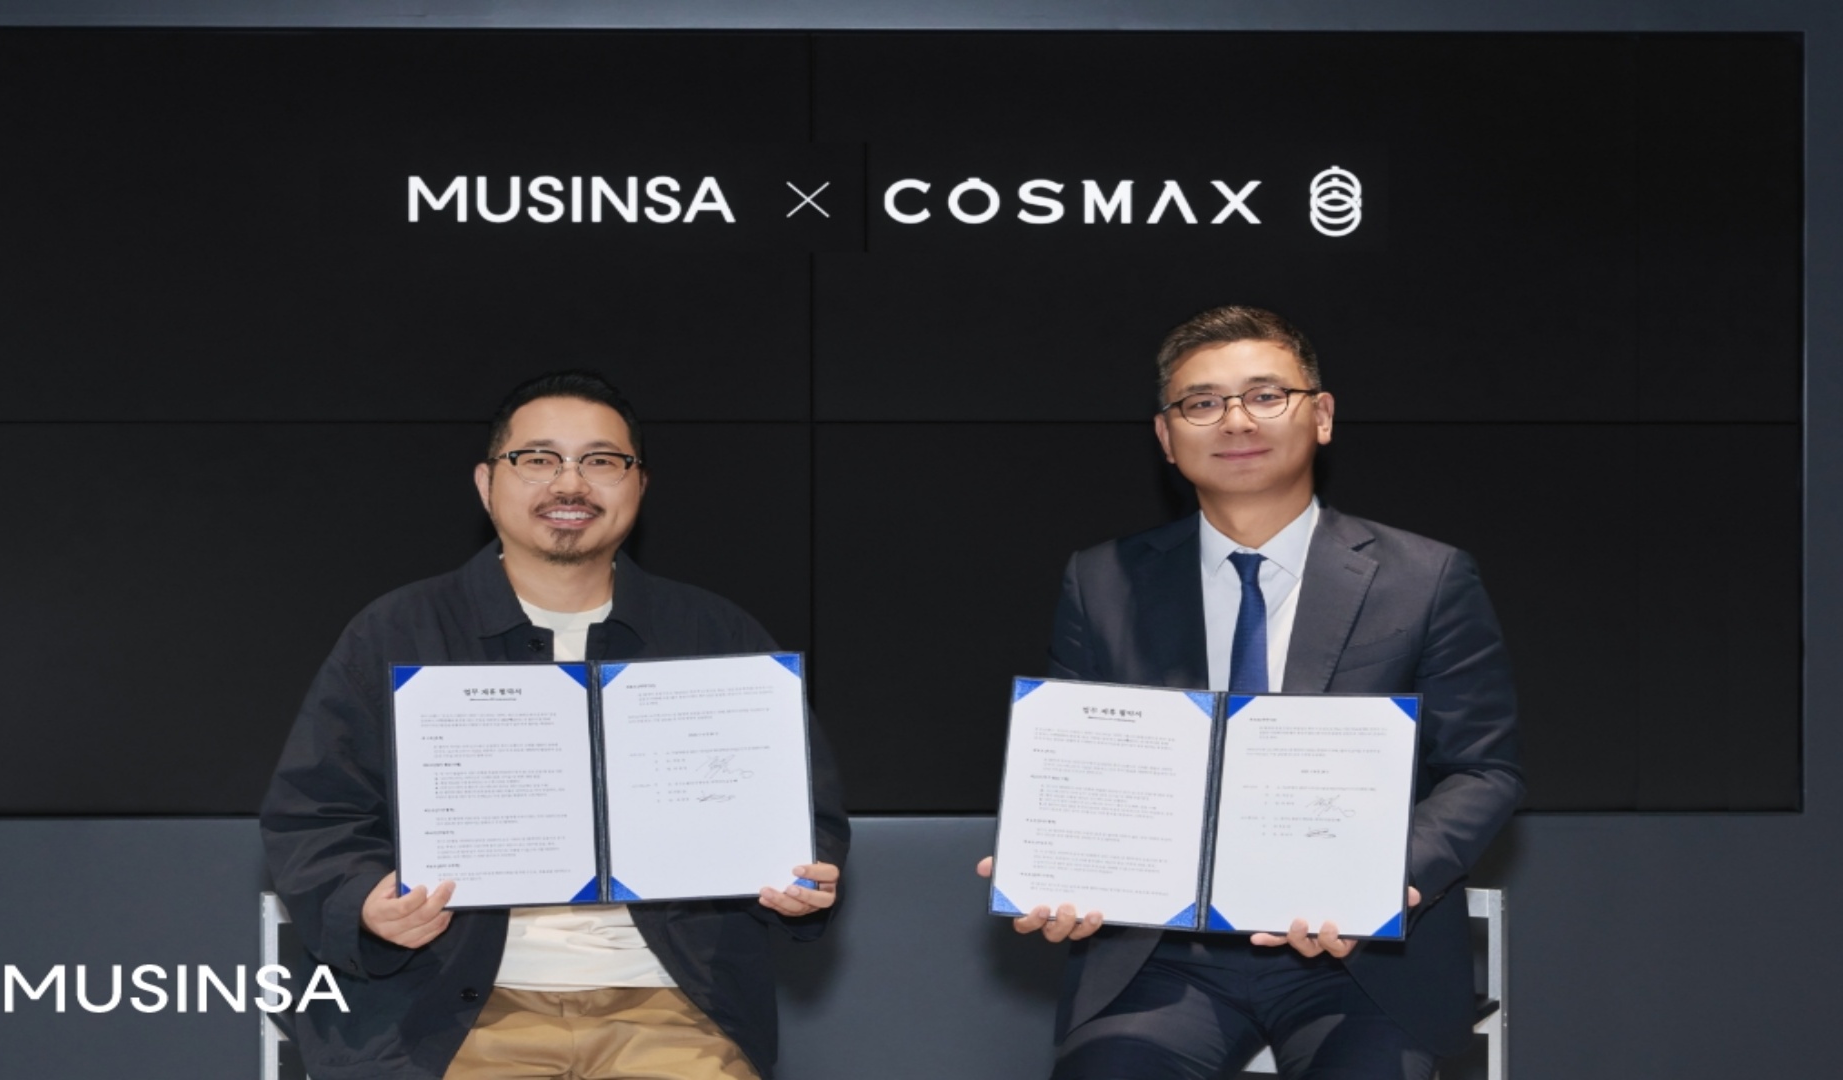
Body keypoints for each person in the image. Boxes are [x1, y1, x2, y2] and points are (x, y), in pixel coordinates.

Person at [980, 306, 1523, 1079]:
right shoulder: (1102, 581)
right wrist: (1058, 869)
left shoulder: (1425, 578)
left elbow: (1484, 769)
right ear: (1167, 437)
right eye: (1202, 403)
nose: (1236, 421)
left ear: (1321, 416)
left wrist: (1381, 880)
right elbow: (1075, 765)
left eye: (1266, 396)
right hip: (1164, 957)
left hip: (1363, 962)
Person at [262, 370, 850, 1080]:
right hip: (447, 1013)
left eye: (601, 461)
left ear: (639, 484)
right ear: (487, 483)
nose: (570, 483)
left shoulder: (715, 635)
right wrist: (365, 904)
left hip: (671, 1009)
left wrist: (800, 876)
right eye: (538, 459)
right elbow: (315, 815)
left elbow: (805, 815)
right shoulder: (397, 632)